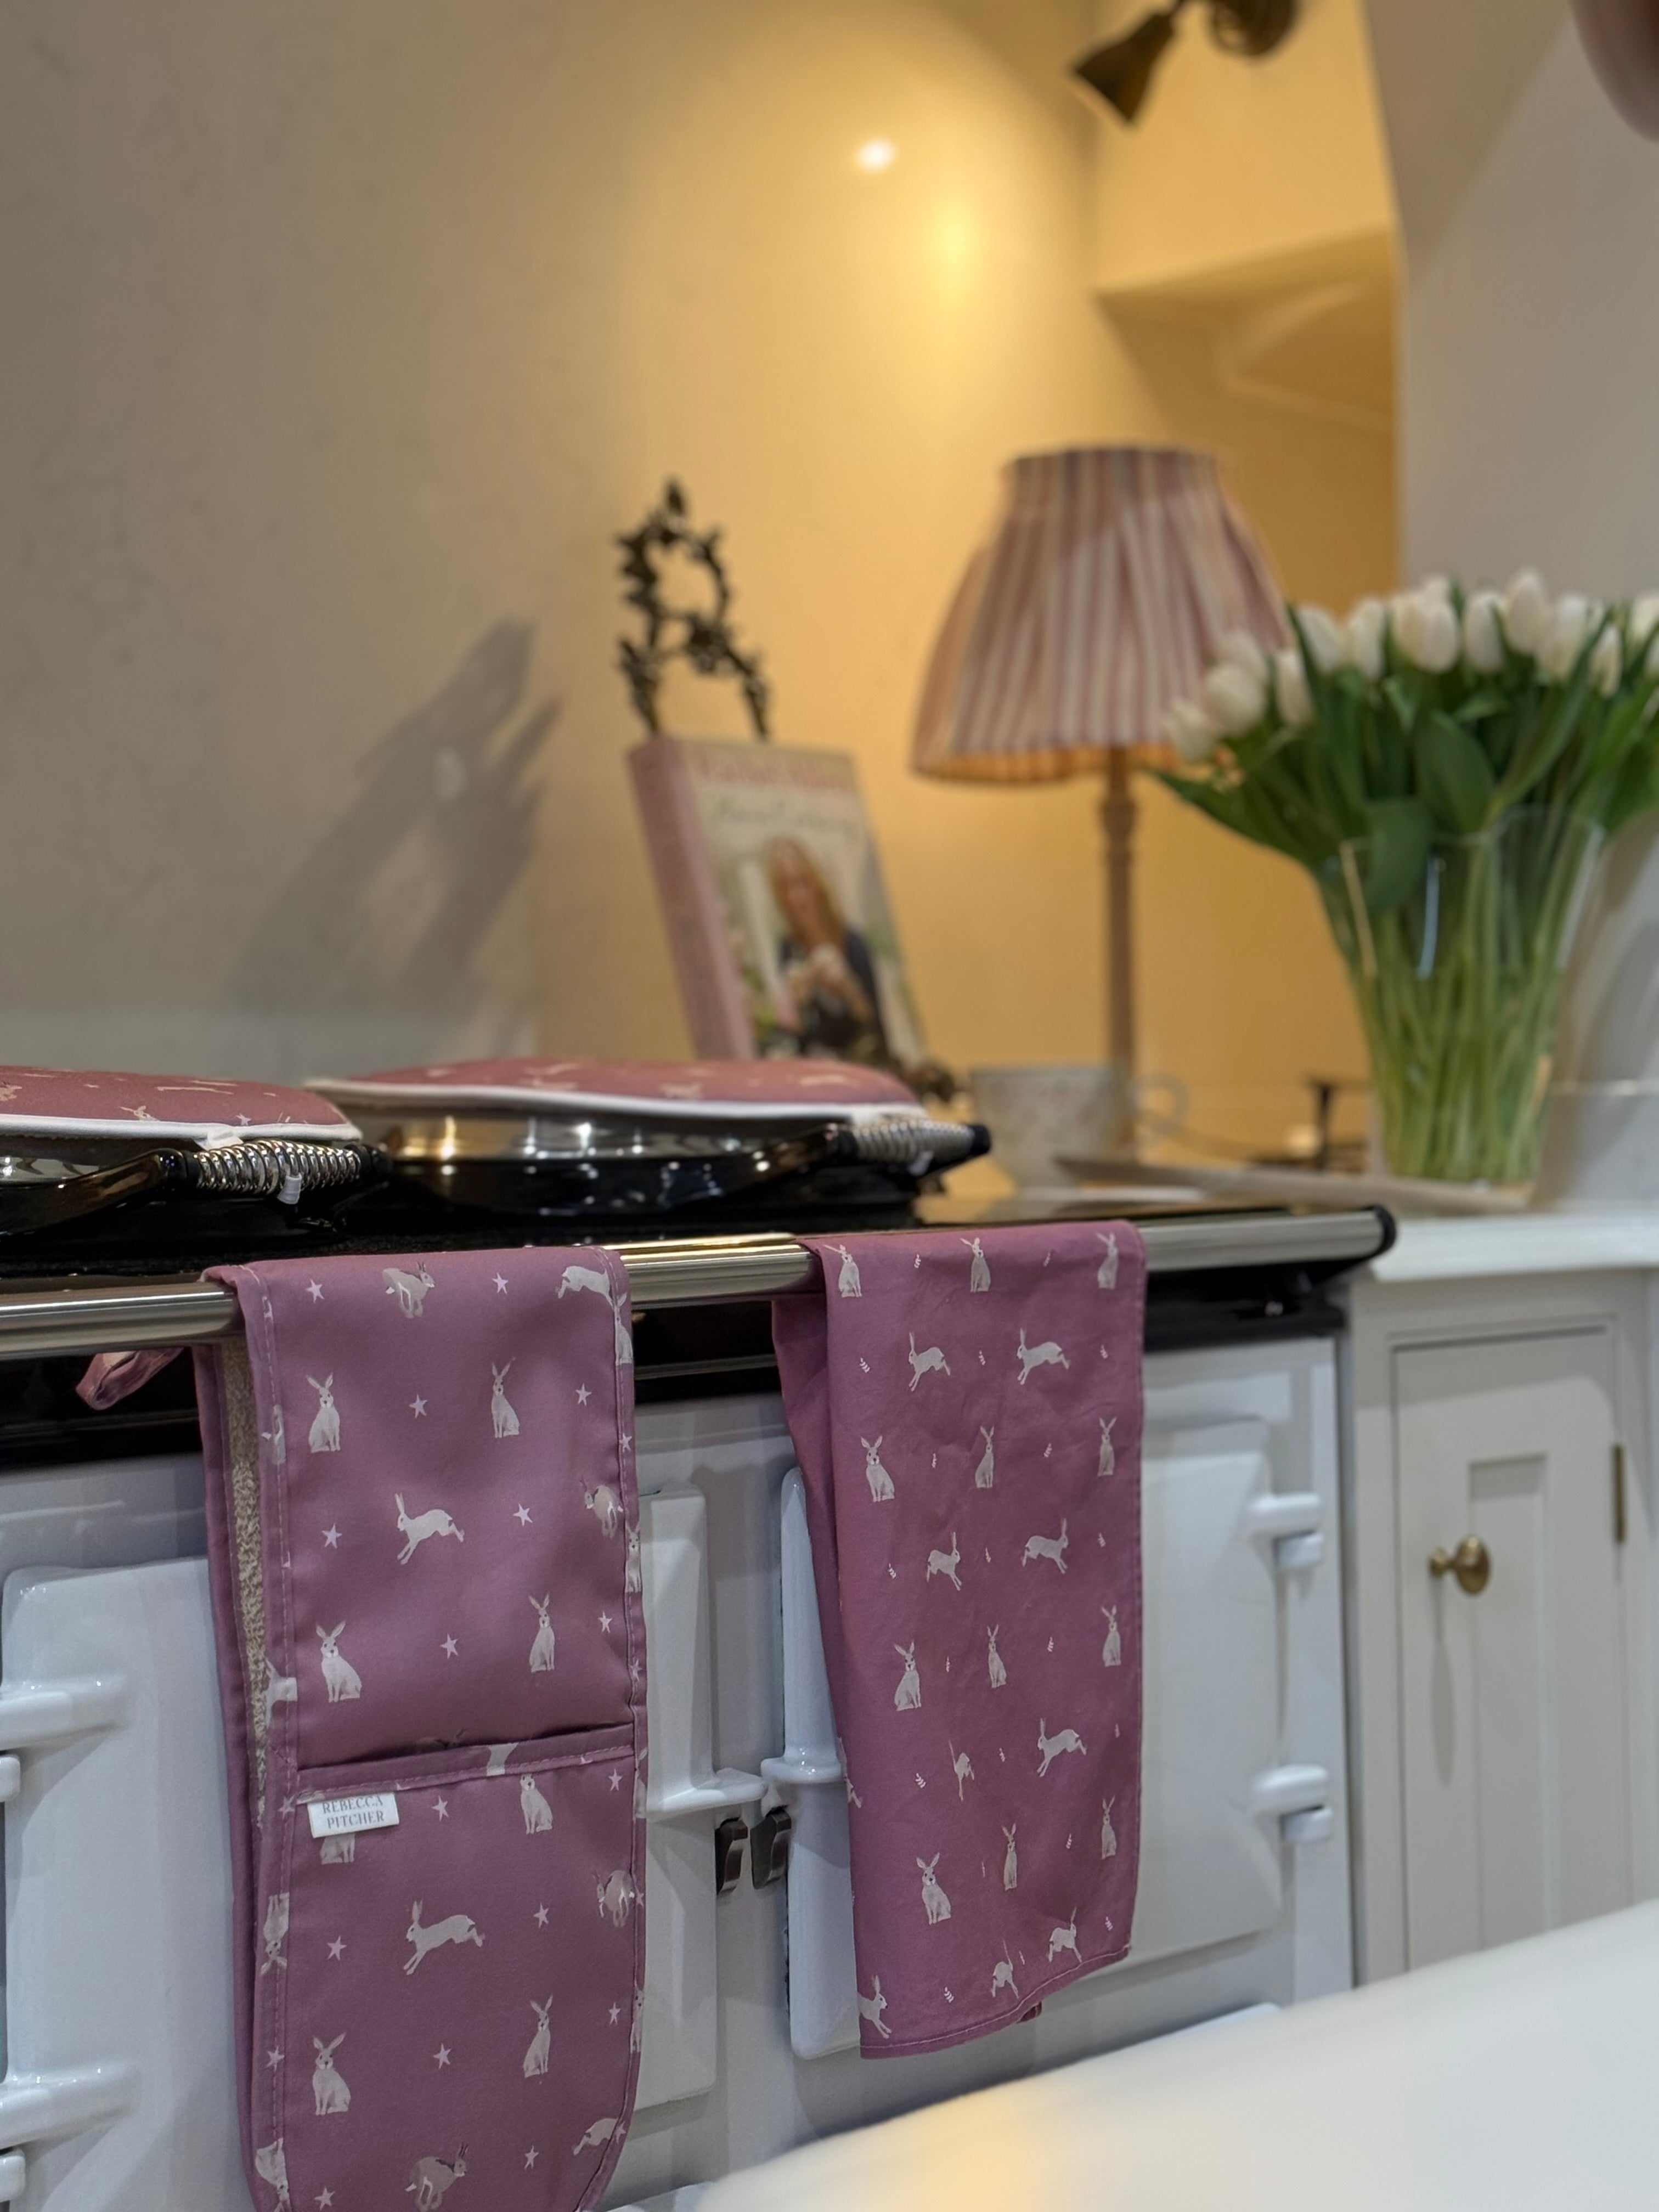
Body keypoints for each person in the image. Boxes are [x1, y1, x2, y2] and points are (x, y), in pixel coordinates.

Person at [764, 837, 891, 1062]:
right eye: (785, 888)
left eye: (801, 883)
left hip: (860, 1064)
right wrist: (795, 1003)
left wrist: (847, 990)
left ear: (817, 884)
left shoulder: (852, 943)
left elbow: (875, 1023)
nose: (796, 898)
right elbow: (793, 1033)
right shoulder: (788, 949)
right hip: (818, 1069)